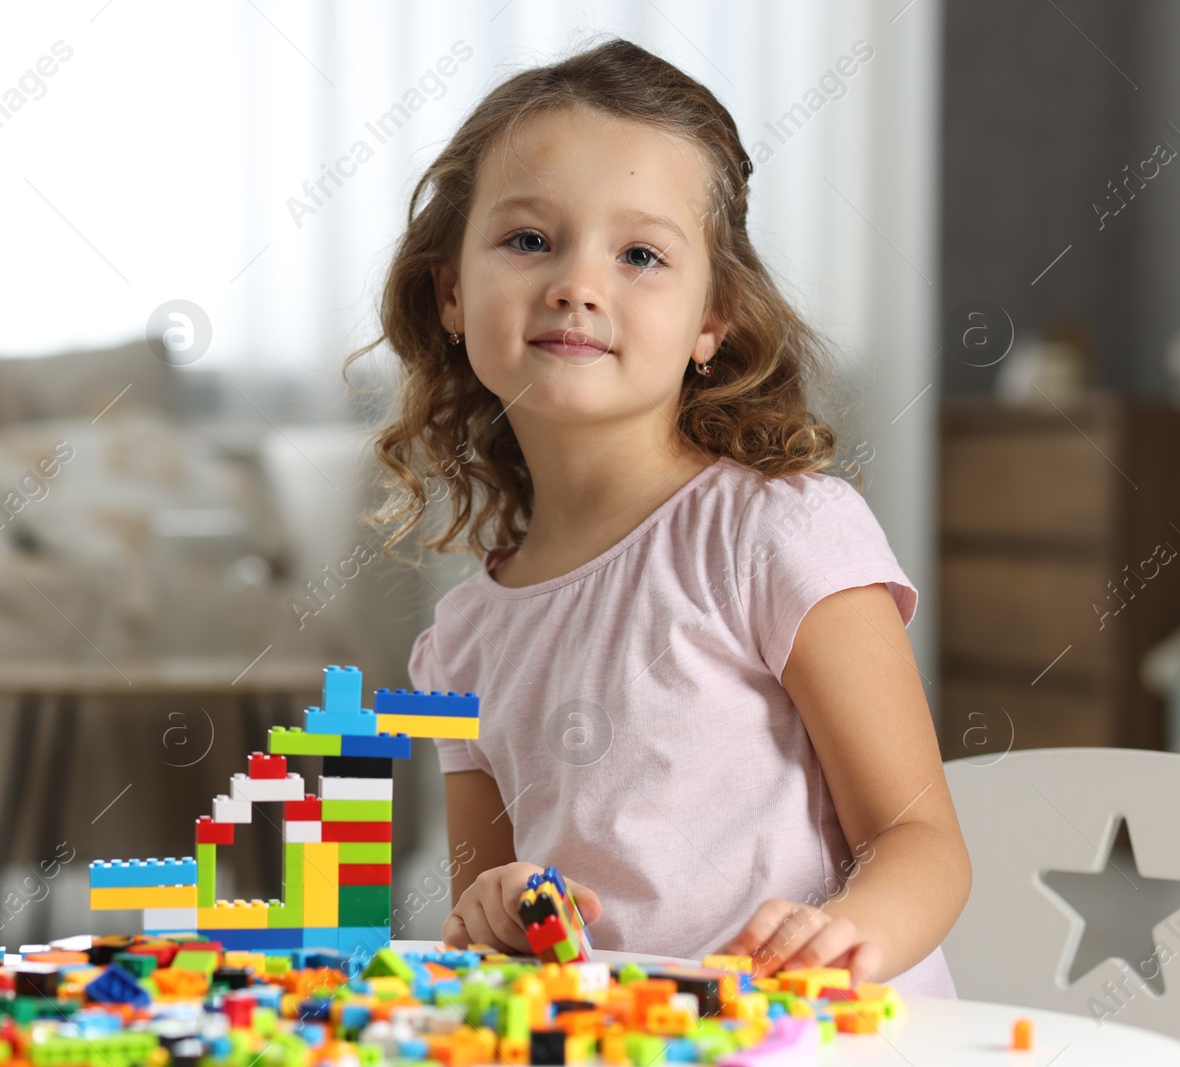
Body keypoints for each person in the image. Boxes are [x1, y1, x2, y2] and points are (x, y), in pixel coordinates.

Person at [342, 37, 967, 996]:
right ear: (453, 292)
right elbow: (485, 907)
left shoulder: (780, 536)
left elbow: (920, 840)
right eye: (529, 240)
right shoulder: (461, 642)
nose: (576, 284)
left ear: (712, 318)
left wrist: (838, 937)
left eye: (639, 254)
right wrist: (495, 910)